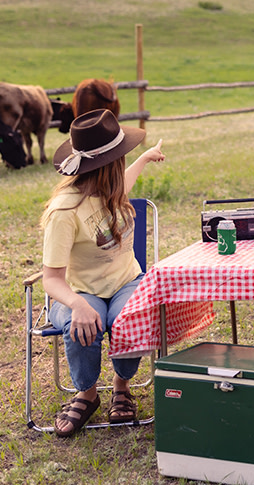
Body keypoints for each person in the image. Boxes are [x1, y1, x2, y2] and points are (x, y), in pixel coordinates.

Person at [40, 109, 166, 437]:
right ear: (109, 164)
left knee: (131, 316)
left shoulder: (111, 188)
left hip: (126, 282)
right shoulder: (64, 211)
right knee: (81, 323)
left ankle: (122, 385)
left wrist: (145, 159)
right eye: (121, 157)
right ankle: (87, 394)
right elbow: (51, 279)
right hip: (80, 291)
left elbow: (126, 181)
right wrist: (77, 304)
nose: (124, 161)